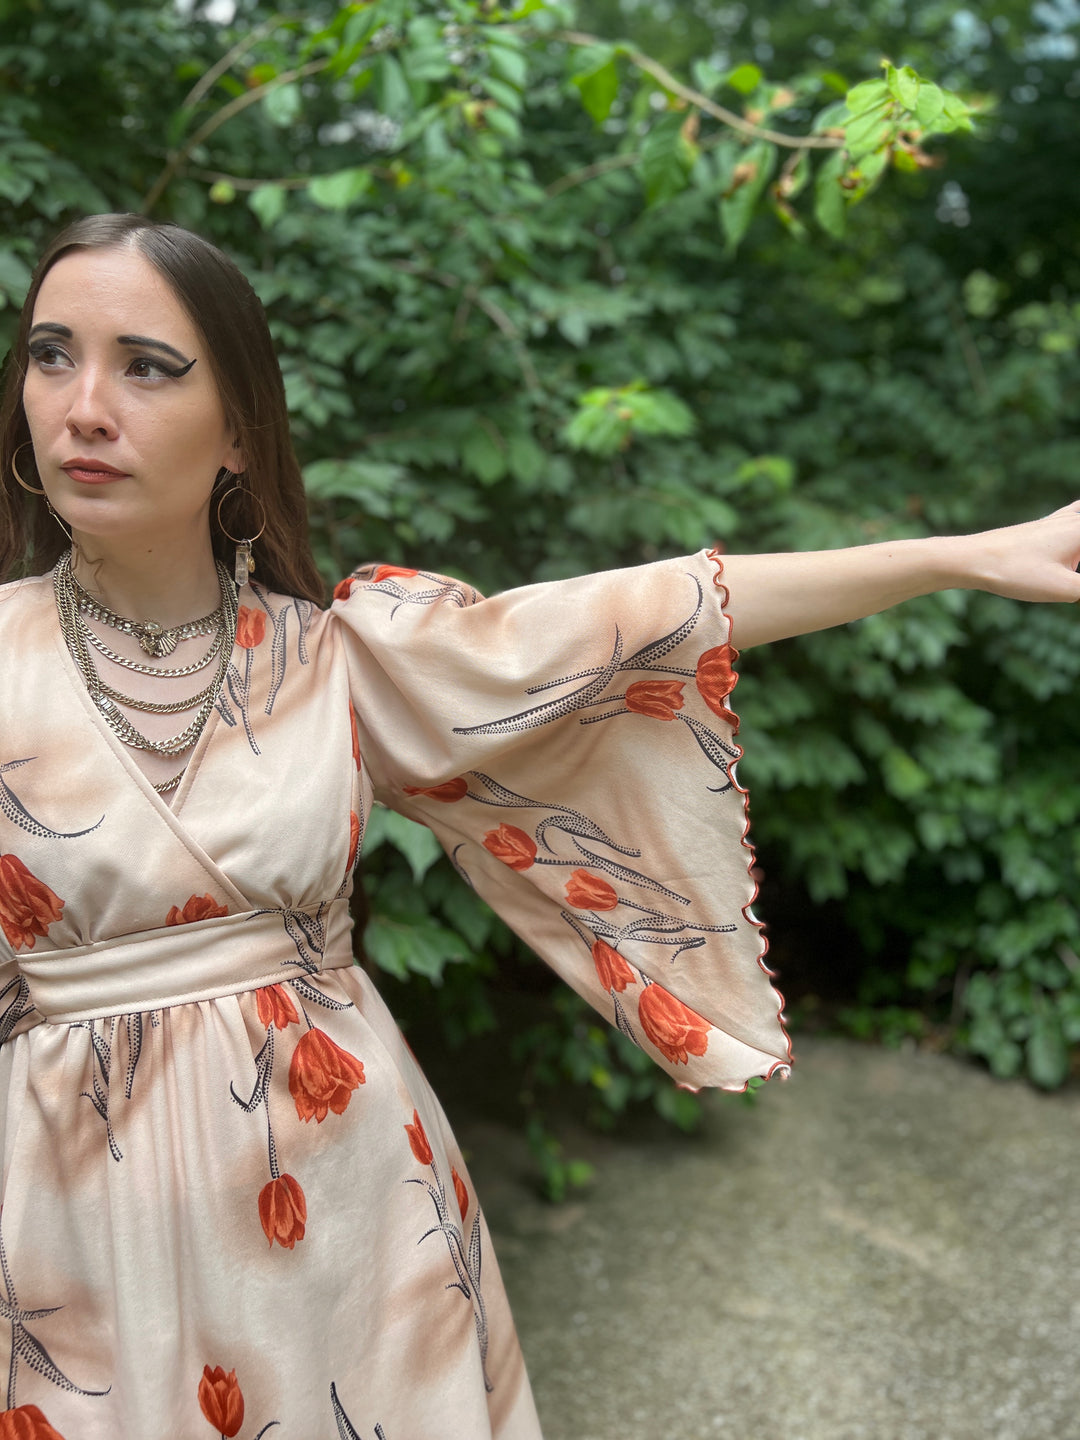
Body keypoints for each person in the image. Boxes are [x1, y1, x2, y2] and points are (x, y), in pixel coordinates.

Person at [1, 213, 1078, 1440]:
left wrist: (968, 557)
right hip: (70, 1223)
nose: (85, 405)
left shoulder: (343, 661)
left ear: (241, 425)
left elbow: (634, 622)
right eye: (50, 354)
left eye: (147, 364)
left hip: (345, 1205)